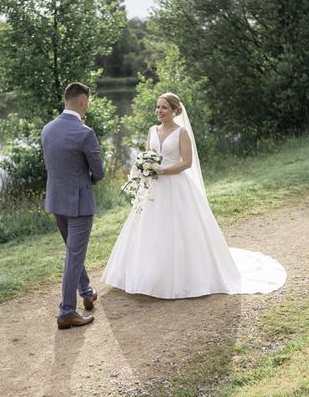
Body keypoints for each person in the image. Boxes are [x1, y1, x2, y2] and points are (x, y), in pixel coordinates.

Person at [101, 92, 286, 298]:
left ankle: (183, 277)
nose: (159, 111)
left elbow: (186, 163)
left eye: (163, 107)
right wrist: (145, 168)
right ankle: (145, 275)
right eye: (157, 107)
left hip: (176, 186)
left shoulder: (181, 133)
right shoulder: (152, 130)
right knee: (149, 229)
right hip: (153, 188)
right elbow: (146, 155)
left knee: (180, 230)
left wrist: (162, 171)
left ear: (174, 111)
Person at [41, 82, 105, 329]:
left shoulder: (47, 129)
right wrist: (88, 181)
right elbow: (98, 172)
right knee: (74, 256)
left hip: (56, 201)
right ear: (82, 101)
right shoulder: (85, 133)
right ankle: (67, 311)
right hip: (79, 203)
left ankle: (86, 291)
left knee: (73, 252)